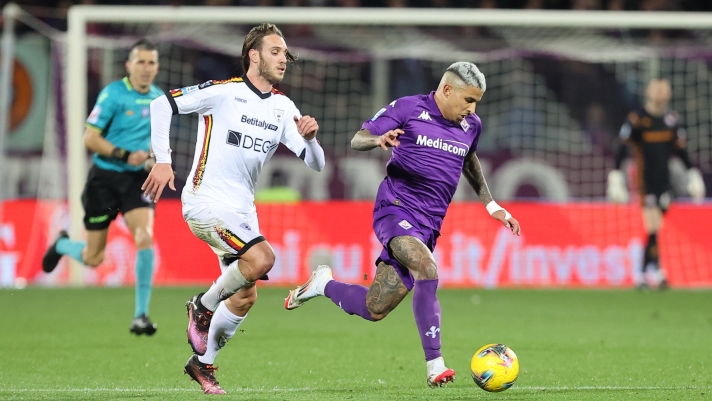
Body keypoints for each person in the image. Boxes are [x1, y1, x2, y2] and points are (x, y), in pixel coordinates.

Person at [285, 62, 521, 388]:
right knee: (427, 267)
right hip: (394, 209)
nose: (472, 108)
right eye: (468, 100)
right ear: (447, 90)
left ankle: (322, 284)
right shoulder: (409, 108)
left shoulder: (471, 125)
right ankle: (435, 365)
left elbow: (468, 158)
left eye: (476, 102)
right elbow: (358, 139)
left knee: (374, 307)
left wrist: (492, 204)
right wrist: (379, 139)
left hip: (429, 225)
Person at [142, 23, 325, 395]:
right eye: (275, 51)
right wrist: (163, 159)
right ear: (253, 55)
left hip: (241, 213)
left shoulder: (282, 107)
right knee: (262, 258)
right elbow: (162, 105)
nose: (283, 59)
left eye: (285, 53)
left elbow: (315, 162)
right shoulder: (222, 93)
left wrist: (312, 139)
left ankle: (202, 364)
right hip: (204, 203)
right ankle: (202, 305)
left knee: (244, 295)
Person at [42, 39, 163, 336]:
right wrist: (123, 154)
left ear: (157, 67)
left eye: (151, 63)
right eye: (141, 62)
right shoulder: (113, 94)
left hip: (136, 180)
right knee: (94, 258)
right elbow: (89, 138)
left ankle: (141, 315)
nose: (146, 69)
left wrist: (153, 161)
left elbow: (157, 147)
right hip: (105, 179)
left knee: (144, 236)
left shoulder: (159, 99)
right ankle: (62, 244)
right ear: (129, 65)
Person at [607, 78, 705, 290]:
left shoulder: (671, 120)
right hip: (645, 180)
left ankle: (651, 272)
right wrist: (616, 175)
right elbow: (622, 148)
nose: (661, 93)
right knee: (652, 226)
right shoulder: (638, 119)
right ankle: (646, 274)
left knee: (655, 228)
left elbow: (680, 150)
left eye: (665, 89)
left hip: (665, 181)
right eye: (657, 89)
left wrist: (692, 173)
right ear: (648, 92)